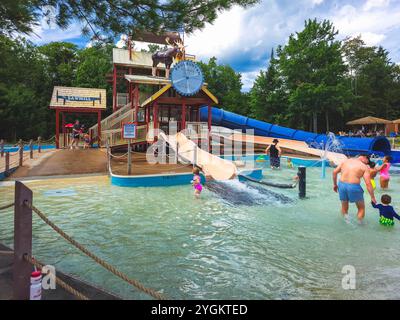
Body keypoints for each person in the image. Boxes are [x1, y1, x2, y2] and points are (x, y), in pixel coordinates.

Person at [333, 155, 376, 222]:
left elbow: (334, 172)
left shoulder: (345, 161)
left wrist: (335, 185)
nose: (367, 164)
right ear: (364, 157)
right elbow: (368, 184)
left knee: (344, 207)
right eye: (367, 162)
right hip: (354, 187)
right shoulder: (364, 166)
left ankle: (346, 222)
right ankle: (359, 225)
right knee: (361, 208)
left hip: (341, 185)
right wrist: (372, 197)